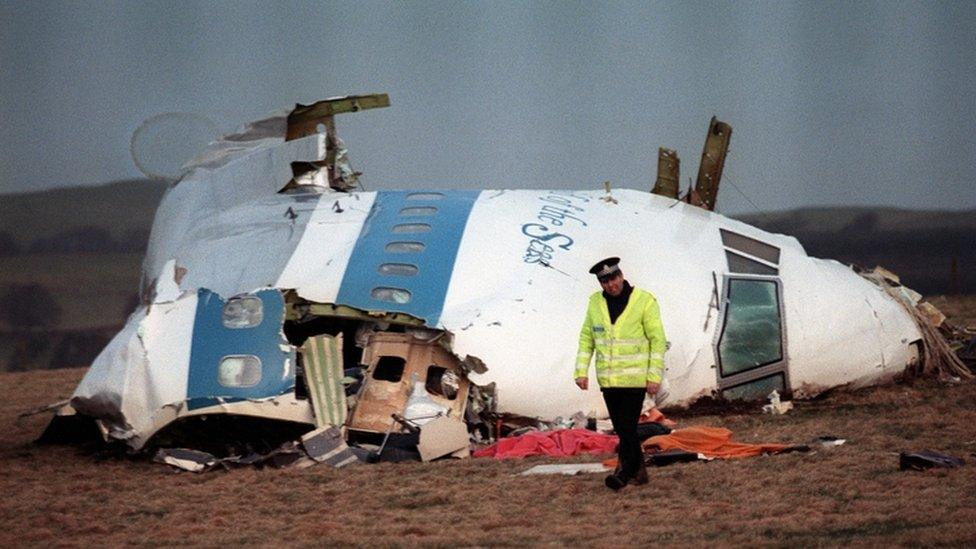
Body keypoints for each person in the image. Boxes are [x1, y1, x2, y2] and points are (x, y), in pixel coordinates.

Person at [574, 257, 667, 491]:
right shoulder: (595, 303)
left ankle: (623, 474)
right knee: (624, 430)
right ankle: (639, 472)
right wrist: (580, 371)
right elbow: (587, 339)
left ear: (621, 276)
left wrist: (654, 376)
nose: (610, 285)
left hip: (635, 380)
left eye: (613, 278)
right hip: (609, 380)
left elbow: (657, 341)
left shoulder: (644, 301)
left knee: (626, 429)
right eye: (604, 281)